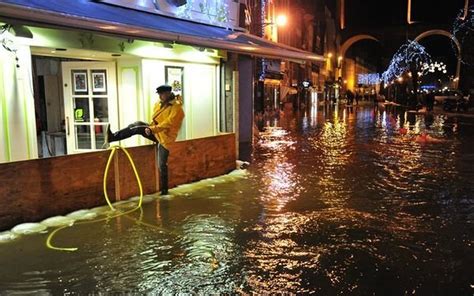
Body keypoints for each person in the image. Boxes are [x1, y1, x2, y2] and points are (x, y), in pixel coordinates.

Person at [102, 85, 185, 195]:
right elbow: (155, 119)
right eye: (159, 94)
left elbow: (168, 123)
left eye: (162, 94)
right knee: (137, 125)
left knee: (161, 165)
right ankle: (113, 137)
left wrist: (152, 129)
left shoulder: (177, 108)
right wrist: (150, 128)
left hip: (165, 138)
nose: (160, 96)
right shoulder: (159, 104)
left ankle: (164, 191)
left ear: (168, 93)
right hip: (156, 132)